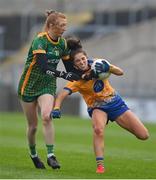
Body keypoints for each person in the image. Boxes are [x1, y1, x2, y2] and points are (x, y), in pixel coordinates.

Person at [51, 38, 149, 173]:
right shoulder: (76, 79)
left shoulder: (97, 63)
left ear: (86, 57)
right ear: (75, 65)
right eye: (78, 61)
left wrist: (108, 67)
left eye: (83, 59)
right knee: (98, 129)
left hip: (115, 103)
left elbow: (120, 72)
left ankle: (119, 120)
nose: (82, 62)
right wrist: (56, 107)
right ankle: (100, 166)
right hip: (97, 107)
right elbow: (62, 94)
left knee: (143, 135)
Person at [17, 11, 81, 169]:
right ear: (51, 25)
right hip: (29, 85)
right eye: (62, 25)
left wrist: (84, 69)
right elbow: (44, 67)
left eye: (66, 25)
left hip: (47, 85)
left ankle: (51, 155)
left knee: (46, 116)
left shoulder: (62, 43)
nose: (65, 28)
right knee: (33, 127)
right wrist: (64, 75)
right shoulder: (40, 41)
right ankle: (33, 155)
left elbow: (69, 68)